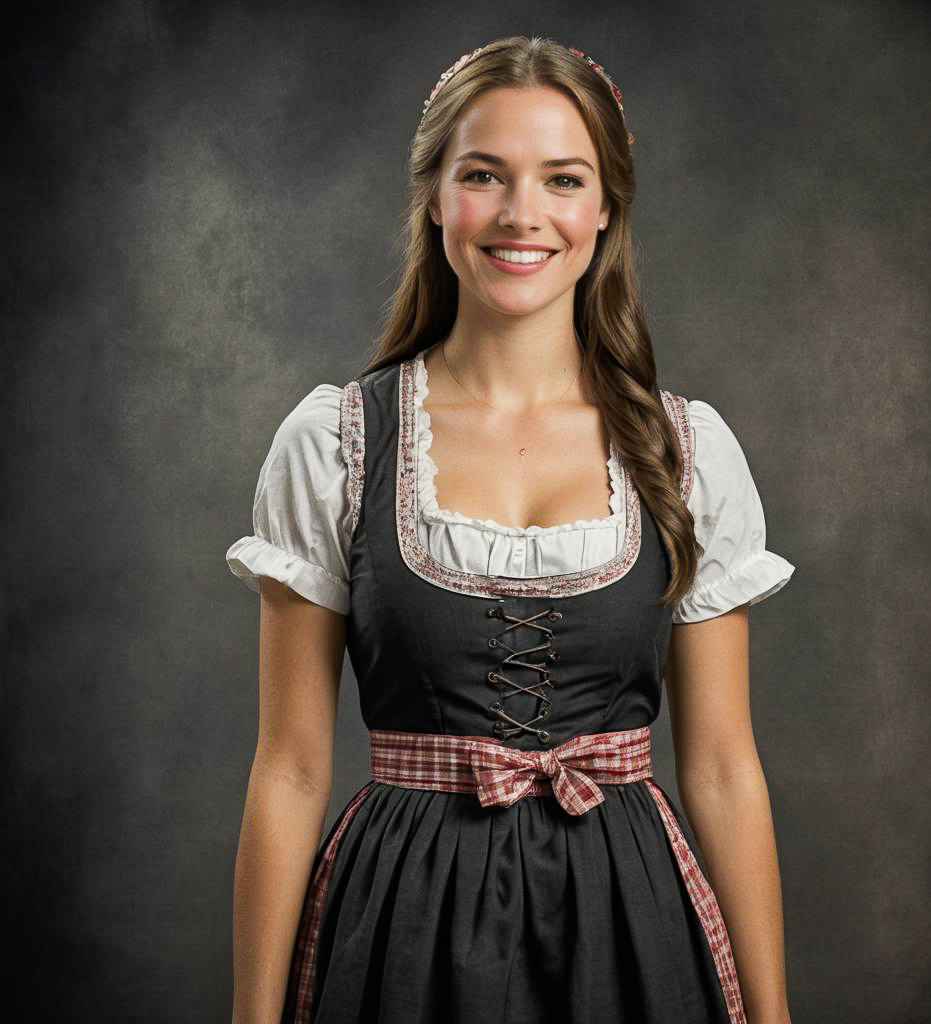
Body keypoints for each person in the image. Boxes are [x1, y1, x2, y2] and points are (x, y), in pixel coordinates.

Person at [226, 35, 796, 1024]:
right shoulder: (336, 443)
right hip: (403, 923)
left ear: (604, 206)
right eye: (484, 175)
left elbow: (719, 765)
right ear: (437, 198)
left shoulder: (684, 450)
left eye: (562, 179)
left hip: (630, 922)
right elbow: (291, 767)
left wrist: (775, 1015)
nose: (522, 214)